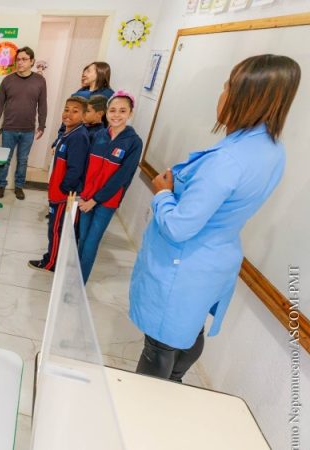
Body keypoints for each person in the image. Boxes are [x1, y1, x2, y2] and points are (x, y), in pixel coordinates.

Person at [130, 54, 300, 382]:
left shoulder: (227, 160)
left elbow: (179, 226)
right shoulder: (272, 150)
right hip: (213, 261)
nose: (221, 94)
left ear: (249, 96)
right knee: (189, 332)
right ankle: (173, 384)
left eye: (227, 87)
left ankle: (149, 399)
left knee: (160, 347)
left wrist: (163, 193)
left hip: (184, 266)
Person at [78, 91, 142, 282]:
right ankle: (73, 278)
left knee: (91, 243)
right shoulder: (99, 135)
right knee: (82, 239)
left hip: (106, 202)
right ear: (106, 112)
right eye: (112, 110)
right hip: (86, 197)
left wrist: (95, 200)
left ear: (130, 113)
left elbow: (122, 177)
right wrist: (83, 194)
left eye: (122, 111)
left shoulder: (134, 142)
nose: (116, 115)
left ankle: (79, 285)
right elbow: (86, 167)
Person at [28, 96, 89, 272]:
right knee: (55, 229)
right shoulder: (68, 133)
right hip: (57, 192)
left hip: (63, 196)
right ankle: (55, 258)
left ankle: (51, 262)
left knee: (56, 230)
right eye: (66, 109)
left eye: (75, 111)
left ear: (84, 116)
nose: (68, 114)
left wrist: (63, 189)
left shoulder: (79, 137)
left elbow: (75, 169)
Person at [0, 46, 47, 200]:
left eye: (24, 59)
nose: (20, 62)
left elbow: (43, 104)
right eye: (18, 59)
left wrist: (42, 125)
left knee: (23, 160)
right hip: (9, 128)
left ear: (32, 61)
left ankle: (19, 186)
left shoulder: (40, 81)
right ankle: (1, 185)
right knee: (5, 159)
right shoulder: (8, 80)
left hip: (28, 130)